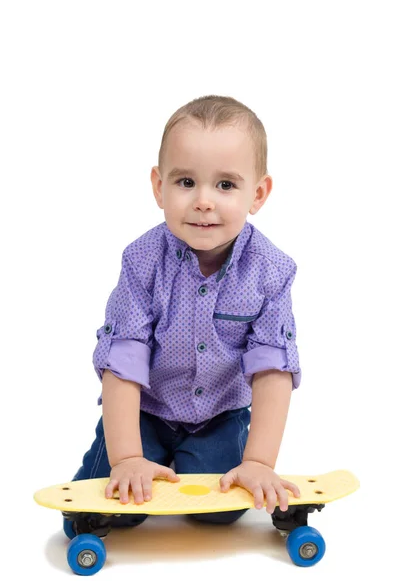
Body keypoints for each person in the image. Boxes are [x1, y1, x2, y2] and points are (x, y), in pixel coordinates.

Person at [72, 95, 302, 528]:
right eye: (185, 182)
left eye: (226, 185)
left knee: (220, 512)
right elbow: (123, 360)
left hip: (218, 414)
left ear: (259, 193)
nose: (203, 201)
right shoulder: (142, 262)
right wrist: (126, 458)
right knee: (111, 509)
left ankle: (193, 460)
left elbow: (273, 368)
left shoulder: (272, 271)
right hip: (145, 410)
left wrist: (258, 460)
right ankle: (127, 463)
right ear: (159, 186)